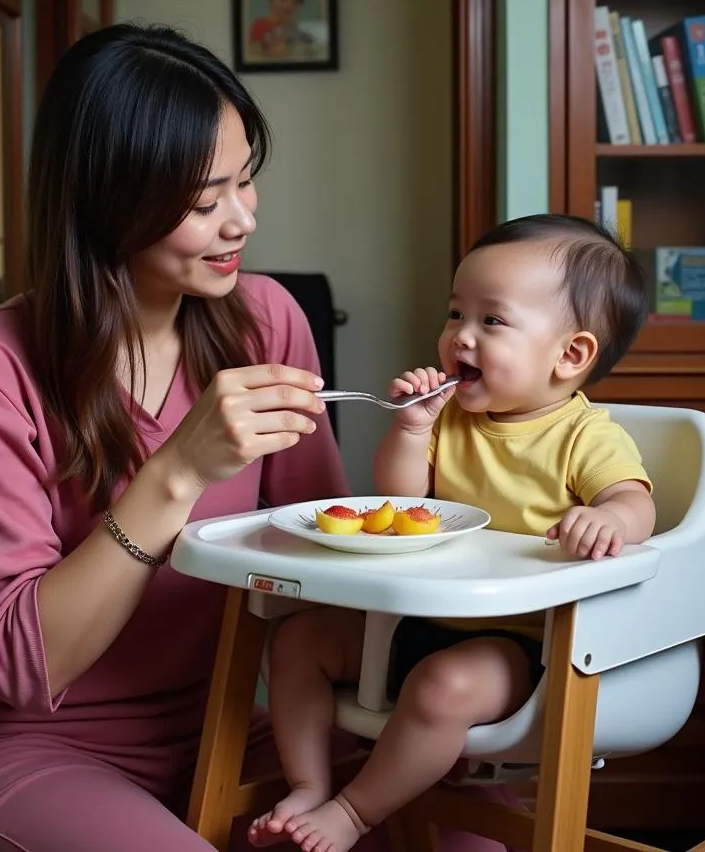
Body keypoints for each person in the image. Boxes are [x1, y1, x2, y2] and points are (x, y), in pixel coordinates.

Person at [0, 21, 513, 852]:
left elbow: (328, 556)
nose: (241, 221)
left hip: (219, 728)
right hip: (23, 745)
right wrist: (178, 471)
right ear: (108, 203)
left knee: (472, 838)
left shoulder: (266, 319)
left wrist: (441, 685)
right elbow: (21, 666)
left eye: (247, 182)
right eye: (203, 202)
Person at [251, 214, 657, 852]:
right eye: (454, 313)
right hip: (415, 619)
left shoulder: (585, 436)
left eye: (491, 321)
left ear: (570, 354)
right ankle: (308, 783)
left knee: (444, 687)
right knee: (298, 641)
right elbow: (399, 500)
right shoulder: (451, 420)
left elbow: (634, 502)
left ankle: (354, 813)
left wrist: (607, 519)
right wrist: (411, 431)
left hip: (520, 645)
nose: (459, 337)